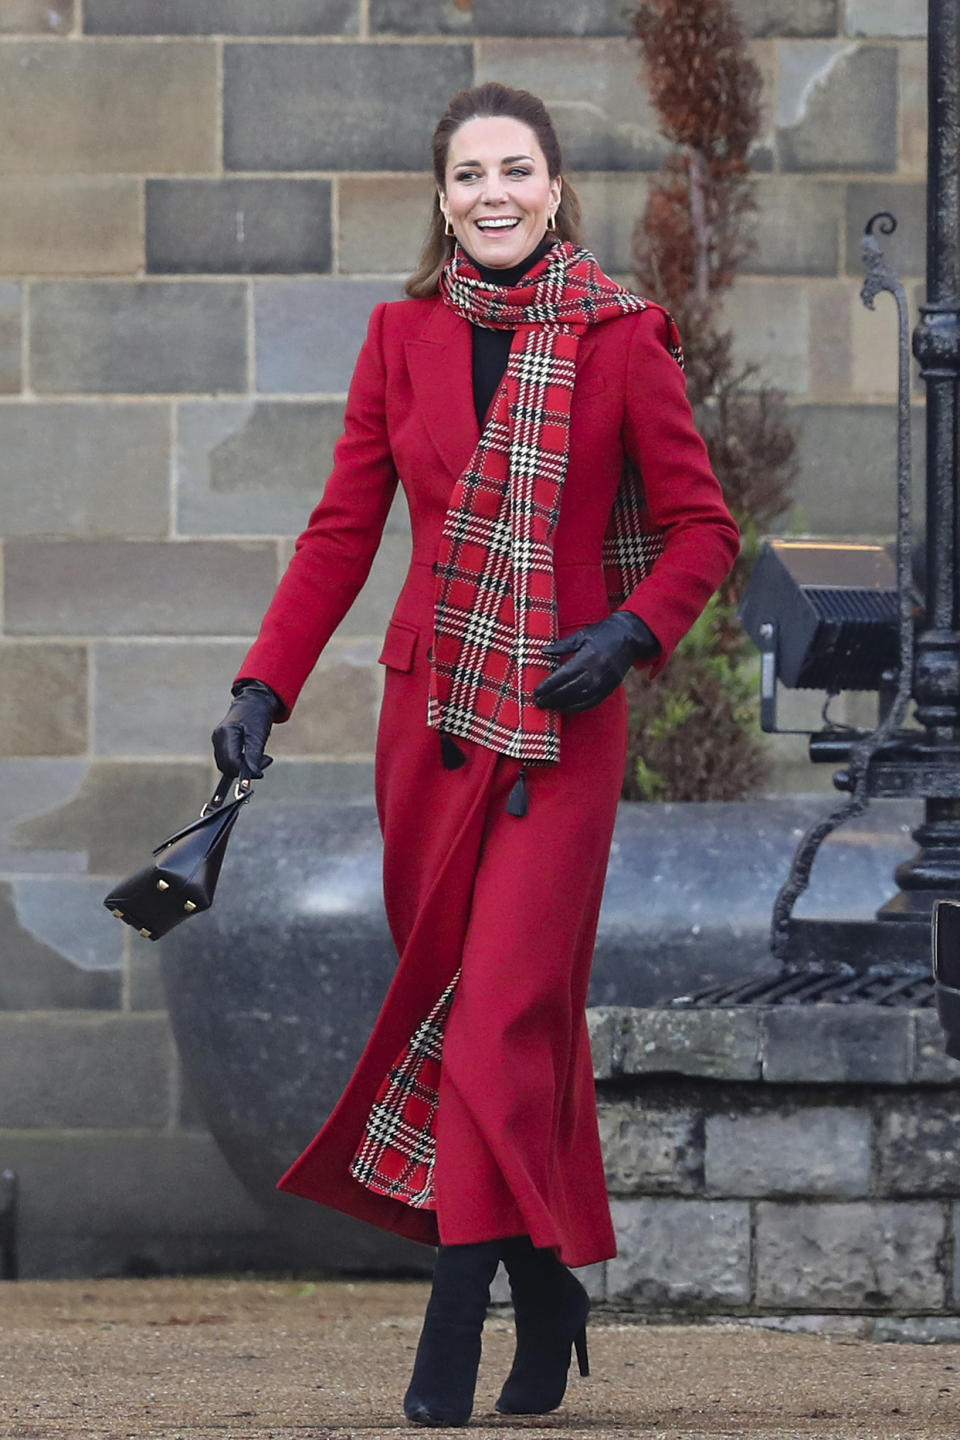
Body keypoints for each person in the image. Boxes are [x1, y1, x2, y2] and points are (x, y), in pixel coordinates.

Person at [212, 81, 740, 1428]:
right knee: (485, 1010)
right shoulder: (400, 341)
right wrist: (264, 682)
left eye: (516, 169)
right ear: (441, 200)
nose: (492, 192)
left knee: (502, 1008)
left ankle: (453, 1322)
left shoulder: (625, 341)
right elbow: (342, 532)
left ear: (555, 188)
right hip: (430, 728)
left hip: (563, 729)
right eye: (467, 174)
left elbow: (700, 530)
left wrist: (627, 636)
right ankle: (551, 1282)